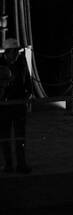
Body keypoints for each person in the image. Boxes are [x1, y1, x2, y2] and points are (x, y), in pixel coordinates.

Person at [0, 38, 33, 174]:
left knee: (20, 136)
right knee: (5, 136)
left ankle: (21, 164)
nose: (15, 54)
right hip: (4, 106)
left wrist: (28, 94)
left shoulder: (21, 62)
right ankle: (8, 164)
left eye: (16, 51)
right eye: (13, 51)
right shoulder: (1, 63)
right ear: (7, 52)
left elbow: (27, 80)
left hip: (18, 104)